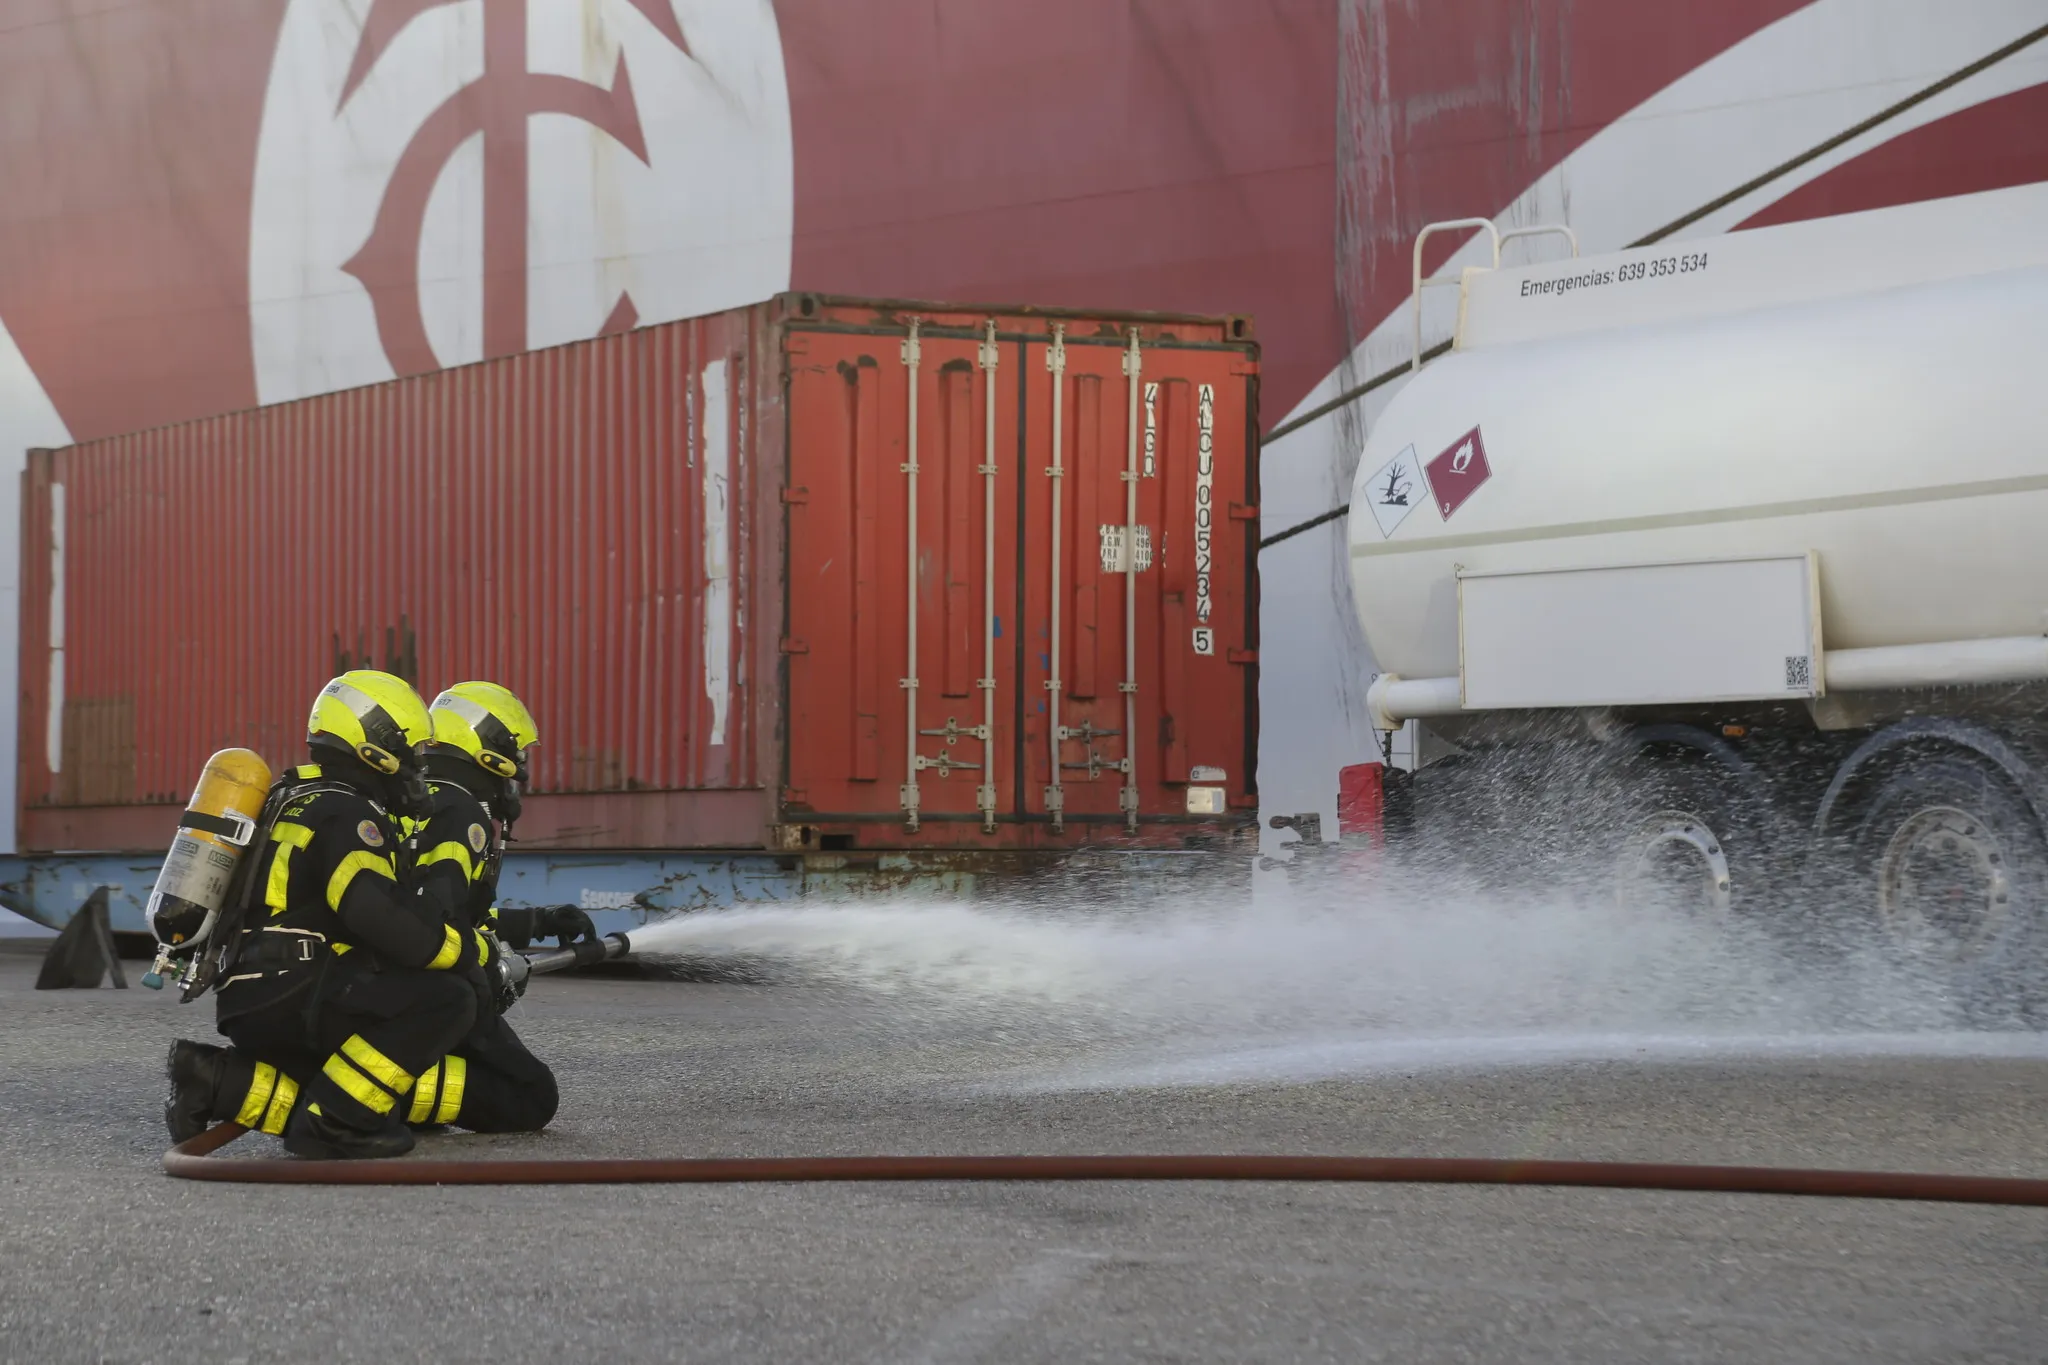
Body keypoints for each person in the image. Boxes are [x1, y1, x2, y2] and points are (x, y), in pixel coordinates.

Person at [163, 670, 491, 1159]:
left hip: (253, 993)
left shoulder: (293, 798)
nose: (416, 767)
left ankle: (217, 1081)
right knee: (446, 999)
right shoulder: (346, 813)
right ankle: (337, 1125)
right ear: (375, 748)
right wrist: (468, 951)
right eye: (410, 752)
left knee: (341, 1076)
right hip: (297, 989)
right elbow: (379, 917)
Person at [398, 680, 592, 1134]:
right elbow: (436, 917)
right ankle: (376, 1097)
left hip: (402, 982)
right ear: (488, 749)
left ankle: (392, 1088)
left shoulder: (421, 799)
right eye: (514, 753)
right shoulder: (461, 811)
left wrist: (535, 922)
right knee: (529, 1096)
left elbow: (439, 907)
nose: (517, 771)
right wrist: (492, 959)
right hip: (432, 988)